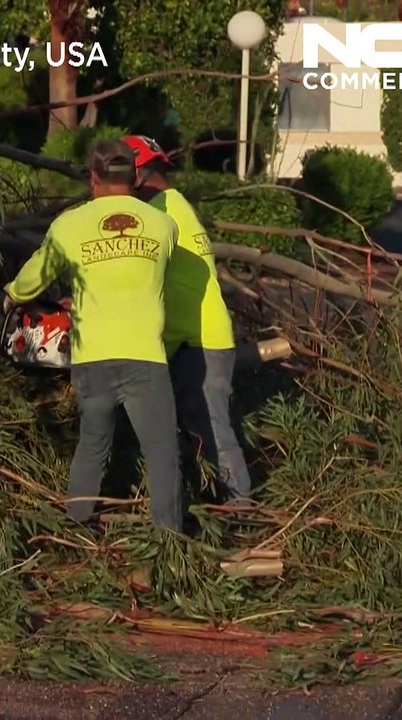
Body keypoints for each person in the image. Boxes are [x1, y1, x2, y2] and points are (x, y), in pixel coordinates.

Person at [2, 139, 186, 532]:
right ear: (135, 177)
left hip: (92, 357)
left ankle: (76, 528)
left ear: (93, 178)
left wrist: (11, 296)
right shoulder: (164, 226)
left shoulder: (69, 225)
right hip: (145, 356)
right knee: (161, 452)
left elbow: (34, 278)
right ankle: (170, 541)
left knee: (93, 446)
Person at [122, 135, 253, 504]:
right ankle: (213, 500)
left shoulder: (159, 213)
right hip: (192, 336)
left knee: (210, 428)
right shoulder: (172, 203)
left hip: (200, 339)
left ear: (138, 174)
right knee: (197, 426)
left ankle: (239, 508)